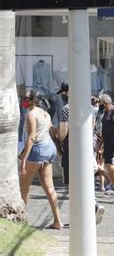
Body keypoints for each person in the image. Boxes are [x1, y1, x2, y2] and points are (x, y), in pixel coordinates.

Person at [58, 89, 106, 224]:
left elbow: (63, 131)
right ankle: (93, 206)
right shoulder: (89, 108)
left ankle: (81, 215)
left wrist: (60, 144)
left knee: (72, 184)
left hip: (71, 147)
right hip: (86, 147)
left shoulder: (67, 109)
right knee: (85, 181)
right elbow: (91, 127)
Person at [19, 91, 64, 229]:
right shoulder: (46, 114)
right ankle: (58, 221)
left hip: (38, 150)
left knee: (24, 188)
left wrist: (23, 160)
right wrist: (58, 149)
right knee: (50, 188)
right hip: (49, 149)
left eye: (26, 99)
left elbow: (31, 137)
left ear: (33, 101)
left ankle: (22, 220)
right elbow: (52, 131)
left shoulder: (31, 114)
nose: (24, 100)